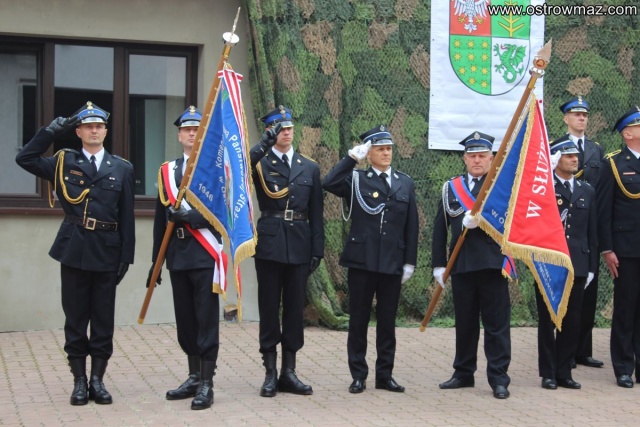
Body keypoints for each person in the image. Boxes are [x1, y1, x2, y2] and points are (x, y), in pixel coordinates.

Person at [15, 102, 135, 406]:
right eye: (88, 126)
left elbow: (127, 216)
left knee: (103, 319)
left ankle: (98, 380)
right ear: (78, 131)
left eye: (99, 126)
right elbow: (25, 158)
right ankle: (79, 381)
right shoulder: (63, 161)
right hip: (75, 248)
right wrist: (52, 131)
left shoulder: (121, 168)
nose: (94, 131)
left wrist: (127, 256)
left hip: (108, 250)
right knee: (76, 318)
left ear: (106, 131)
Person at [323, 125, 418, 394]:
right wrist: (351, 158)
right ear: (369, 153)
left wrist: (409, 261)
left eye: (389, 149)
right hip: (362, 261)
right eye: (380, 149)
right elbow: (329, 182)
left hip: (392, 261)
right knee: (358, 321)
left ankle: (385, 375)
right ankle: (358, 375)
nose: (386, 153)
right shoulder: (356, 179)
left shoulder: (404, 182)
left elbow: (412, 225)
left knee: (387, 322)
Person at [249, 105, 324, 397]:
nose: (287, 133)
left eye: (290, 128)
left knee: (294, 309)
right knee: (269, 308)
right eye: (280, 129)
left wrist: (317, 248)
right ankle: (270, 372)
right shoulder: (260, 163)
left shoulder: (309, 167)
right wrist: (262, 145)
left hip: (300, 243)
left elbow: (316, 212)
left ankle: (289, 371)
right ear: (270, 131)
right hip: (270, 243)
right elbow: (240, 170)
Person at [150, 106, 222, 410]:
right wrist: (156, 261)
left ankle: (207, 382)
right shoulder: (167, 171)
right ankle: (193, 376)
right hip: (178, 255)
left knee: (206, 318)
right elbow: (160, 219)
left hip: (204, 253)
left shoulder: (215, 169)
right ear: (179, 135)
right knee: (185, 320)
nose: (192, 134)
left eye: (196, 129)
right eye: (187, 130)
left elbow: (221, 212)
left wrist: (191, 217)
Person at [431, 131, 511, 399]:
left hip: (492, 264)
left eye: (482, 156)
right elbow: (439, 229)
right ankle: (463, 373)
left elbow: (512, 224)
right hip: (462, 265)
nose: (477, 160)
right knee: (465, 323)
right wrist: (439, 265)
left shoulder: (501, 187)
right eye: (472, 156)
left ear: (491, 158)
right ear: (465, 159)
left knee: (496, 325)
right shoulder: (451, 188)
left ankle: (499, 378)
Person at [536, 137, 597, 390]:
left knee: (572, 321)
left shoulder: (586, 190)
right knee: (548, 321)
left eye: (575, 156)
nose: (575, 159)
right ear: (555, 159)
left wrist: (591, 267)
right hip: (549, 263)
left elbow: (592, 232)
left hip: (578, 263)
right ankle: (548, 373)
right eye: (568, 156)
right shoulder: (543, 189)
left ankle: (564, 371)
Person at [555, 95, 606, 369]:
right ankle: (563, 349)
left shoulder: (597, 150)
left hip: (589, 224)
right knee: (563, 291)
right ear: (566, 118)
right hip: (564, 227)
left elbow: (602, 189)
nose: (582, 118)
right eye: (576, 114)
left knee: (588, 290)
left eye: (585, 115)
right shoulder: (556, 147)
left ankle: (582, 350)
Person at [599, 106, 640, 388]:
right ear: (628, 134)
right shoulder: (613, 164)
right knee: (626, 309)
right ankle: (623, 367)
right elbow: (603, 211)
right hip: (626, 249)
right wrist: (607, 248)